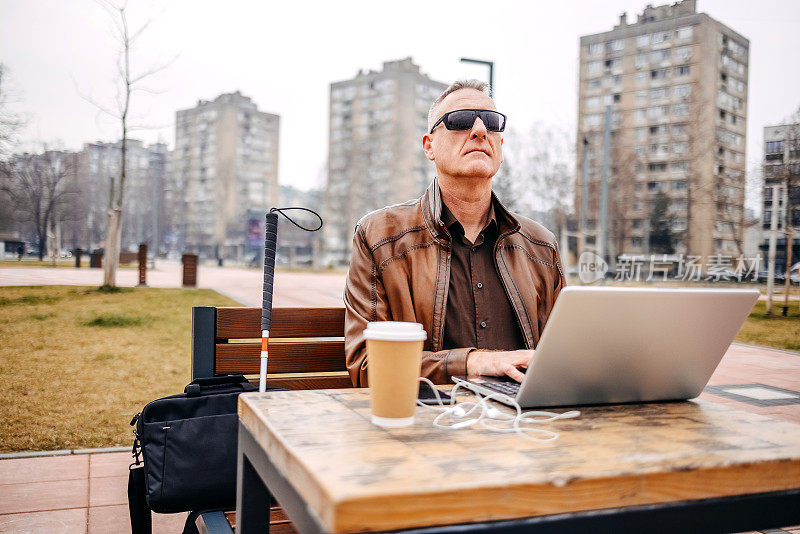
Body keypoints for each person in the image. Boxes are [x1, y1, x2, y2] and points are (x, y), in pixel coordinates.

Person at [344, 79, 565, 387]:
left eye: (491, 122)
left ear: (500, 145)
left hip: (526, 424)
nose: (479, 131)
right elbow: (368, 366)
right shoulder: (379, 236)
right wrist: (473, 362)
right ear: (428, 146)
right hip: (426, 425)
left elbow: (565, 358)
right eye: (460, 121)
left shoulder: (541, 246)